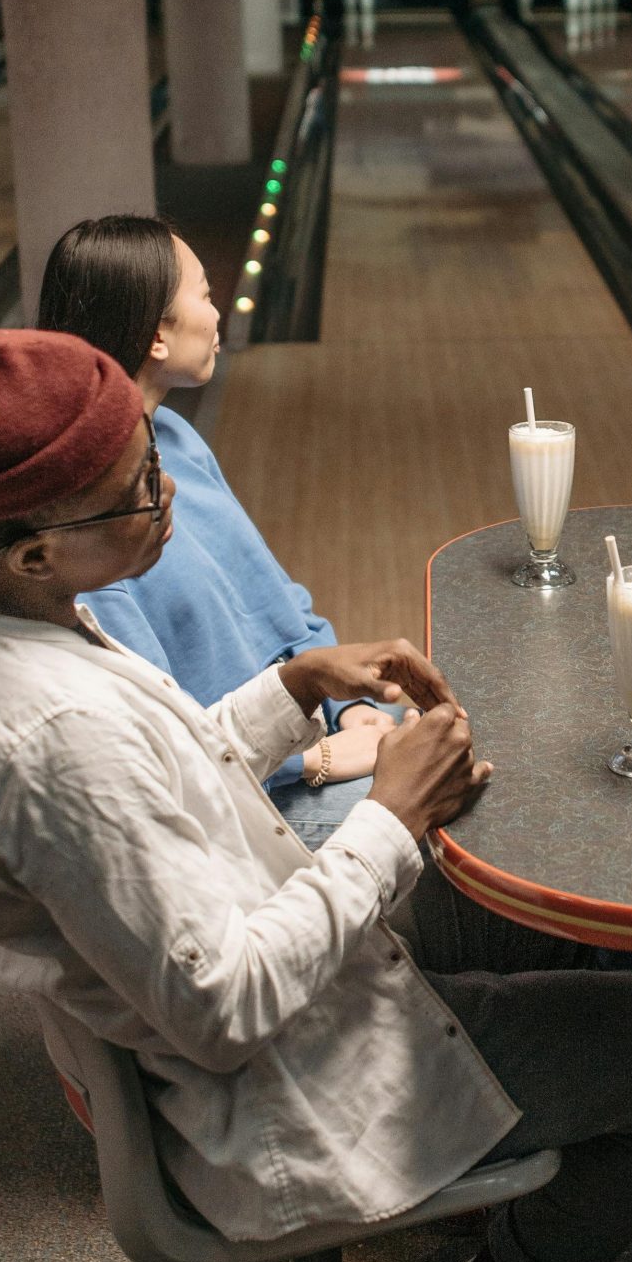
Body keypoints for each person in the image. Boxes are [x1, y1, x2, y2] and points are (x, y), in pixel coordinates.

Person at [0, 329, 632, 1262]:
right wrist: (390, 817)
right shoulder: (52, 738)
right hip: (279, 1088)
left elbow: (154, 785)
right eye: (133, 492)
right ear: (27, 550)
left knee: (512, 865)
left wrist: (290, 687)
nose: (165, 497)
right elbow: (224, 1006)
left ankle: (533, 1156)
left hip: (277, 986)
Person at [37, 217, 386, 849]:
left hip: (316, 728)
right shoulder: (94, 523)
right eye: (203, 293)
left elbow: (284, 607)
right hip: (246, 801)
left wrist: (353, 708)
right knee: (461, 809)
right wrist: (324, 761)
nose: (218, 310)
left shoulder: (175, 439)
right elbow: (169, 742)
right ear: (157, 336)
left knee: (472, 734)